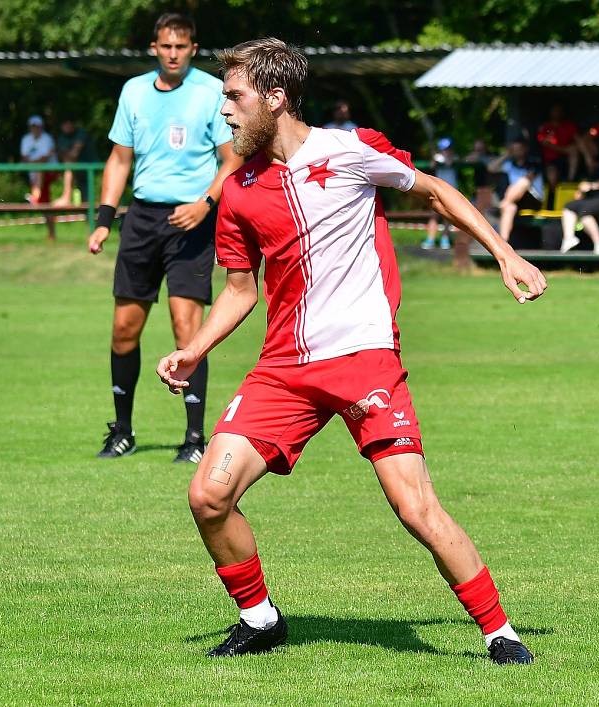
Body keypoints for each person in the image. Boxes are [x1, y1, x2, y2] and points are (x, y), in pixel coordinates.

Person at [157, 38, 546, 663]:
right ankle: (260, 619)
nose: (223, 110)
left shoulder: (350, 151)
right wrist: (195, 347)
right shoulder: (239, 190)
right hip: (283, 371)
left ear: (275, 97)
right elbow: (238, 289)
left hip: (365, 361)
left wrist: (506, 254)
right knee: (208, 495)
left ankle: (499, 631)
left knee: (414, 507)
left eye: (234, 97)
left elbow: (438, 192)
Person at [87, 13, 243, 463]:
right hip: (140, 220)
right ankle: (122, 431)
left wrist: (206, 205)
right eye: (165, 46)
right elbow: (119, 159)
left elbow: (231, 159)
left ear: (193, 49)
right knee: (123, 330)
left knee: (186, 330)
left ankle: (194, 440)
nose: (173, 53)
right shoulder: (133, 91)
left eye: (181, 46)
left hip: (191, 223)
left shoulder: (211, 93)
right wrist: (103, 219)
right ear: (154, 48)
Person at [559, 141, 599, 254]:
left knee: (584, 211)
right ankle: (568, 238)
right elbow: (590, 164)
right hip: (592, 199)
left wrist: (591, 186)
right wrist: (582, 191)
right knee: (569, 206)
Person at [487, 139, 544, 243]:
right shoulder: (509, 165)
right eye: (514, 149)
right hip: (515, 201)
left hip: (533, 200)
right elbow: (491, 168)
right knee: (509, 208)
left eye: (519, 149)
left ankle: (502, 204)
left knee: (523, 181)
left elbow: (528, 179)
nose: (517, 151)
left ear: (525, 149)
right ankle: (503, 243)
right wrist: (506, 155)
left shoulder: (533, 164)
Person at [20, 115, 58, 240]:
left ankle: (35, 195)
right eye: (33, 127)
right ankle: (51, 235)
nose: (35, 129)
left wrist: (33, 163)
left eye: (37, 127)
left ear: (41, 127)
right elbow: (25, 158)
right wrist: (35, 163)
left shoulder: (47, 139)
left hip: (49, 174)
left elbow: (44, 159)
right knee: (45, 204)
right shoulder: (26, 139)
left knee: (45, 203)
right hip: (35, 176)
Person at [421, 137, 456, 250]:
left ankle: (445, 238)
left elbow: (451, 162)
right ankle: (430, 239)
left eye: (449, 149)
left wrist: (447, 159)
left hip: (451, 190)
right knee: (434, 215)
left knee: (447, 216)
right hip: (438, 189)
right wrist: (435, 160)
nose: (447, 151)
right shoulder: (438, 158)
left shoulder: (454, 158)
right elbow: (432, 165)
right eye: (445, 149)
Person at [54, 118, 99, 206]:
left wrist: (66, 154)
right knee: (86, 203)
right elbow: (62, 157)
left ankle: (66, 197)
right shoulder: (62, 137)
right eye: (64, 123)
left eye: (69, 122)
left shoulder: (81, 133)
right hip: (78, 171)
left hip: (90, 170)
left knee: (88, 202)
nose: (67, 125)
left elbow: (73, 154)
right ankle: (66, 197)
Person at [537, 103, 580, 190]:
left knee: (573, 150)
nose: (557, 113)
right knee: (552, 175)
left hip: (566, 160)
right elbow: (545, 143)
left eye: (559, 111)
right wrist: (564, 150)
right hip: (550, 161)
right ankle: (553, 197)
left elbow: (579, 141)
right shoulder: (544, 127)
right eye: (555, 111)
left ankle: (570, 182)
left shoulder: (569, 125)